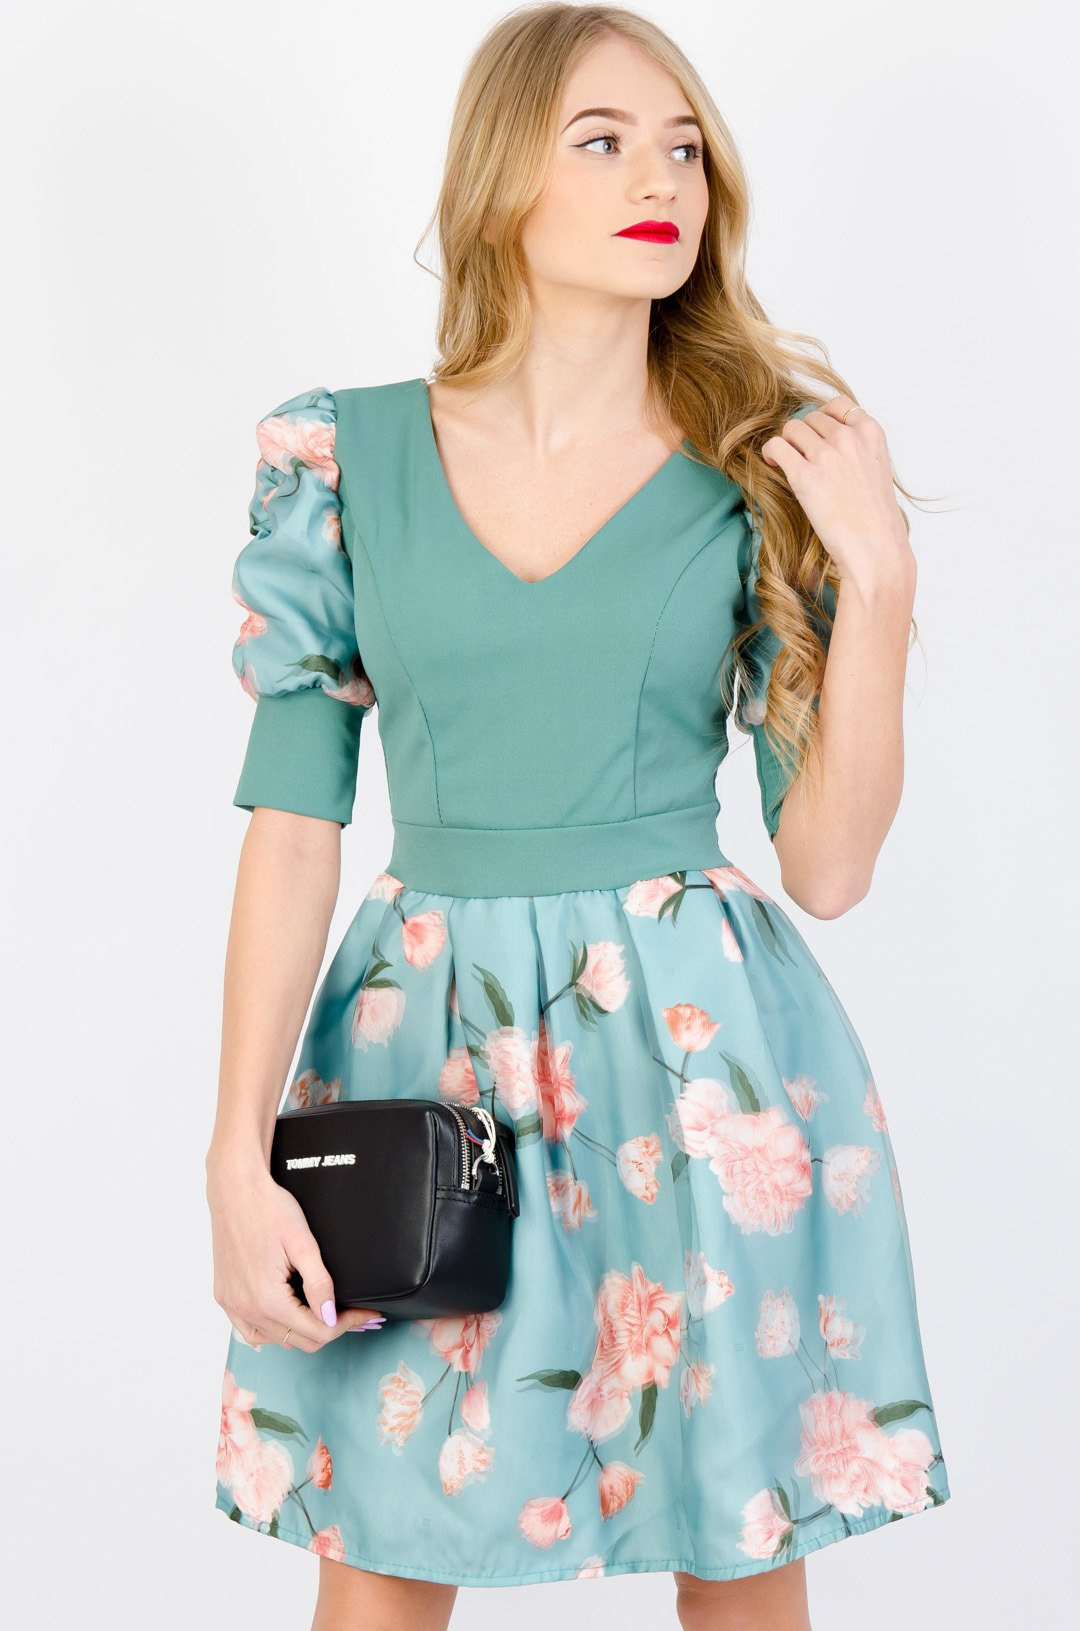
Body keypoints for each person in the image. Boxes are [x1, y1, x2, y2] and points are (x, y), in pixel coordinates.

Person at [205, 5, 953, 1628]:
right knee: (381, 1563)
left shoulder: (757, 475)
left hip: (698, 1070)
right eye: (602, 143)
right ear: (500, 184)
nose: (660, 181)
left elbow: (828, 865)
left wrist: (879, 582)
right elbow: (293, 823)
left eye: (683, 148)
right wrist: (234, 1151)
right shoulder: (344, 459)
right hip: (419, 1069)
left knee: (738, 1559)